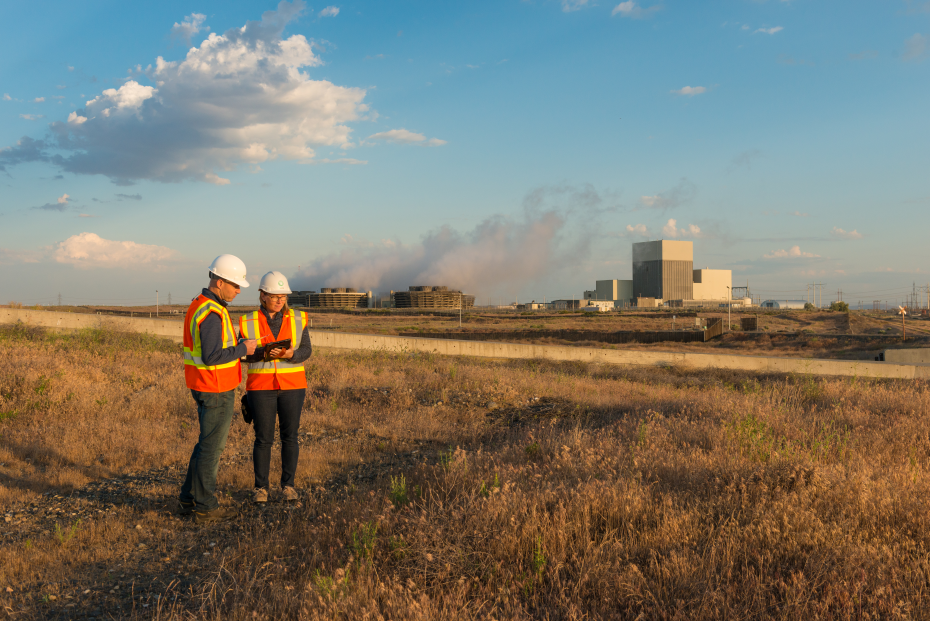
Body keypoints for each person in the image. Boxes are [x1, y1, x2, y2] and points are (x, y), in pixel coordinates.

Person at [179, 255, 257, 523]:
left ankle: (188, 499)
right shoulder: (211, 312)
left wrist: (237, 345)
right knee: (211, 449)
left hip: (204, 384)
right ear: (219, 281)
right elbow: (212, 356)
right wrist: (242, 349)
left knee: (204, 445)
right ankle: (205, 506)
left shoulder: (200, 305)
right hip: (215, 388)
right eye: (235, 285)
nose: (238, 291)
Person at [239, 271, 312, 503]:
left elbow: (306, 350)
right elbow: (241, 356)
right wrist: (263, 354)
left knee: (290, 437)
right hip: (261, 387)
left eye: (283, 296)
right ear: (262, 296)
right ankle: (261, 488)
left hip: (292, 386)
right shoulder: (246, 321)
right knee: (263, 439)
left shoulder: (299, 318)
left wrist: (291, 354)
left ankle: (288, 486)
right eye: (274, 296)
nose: (279, 300)